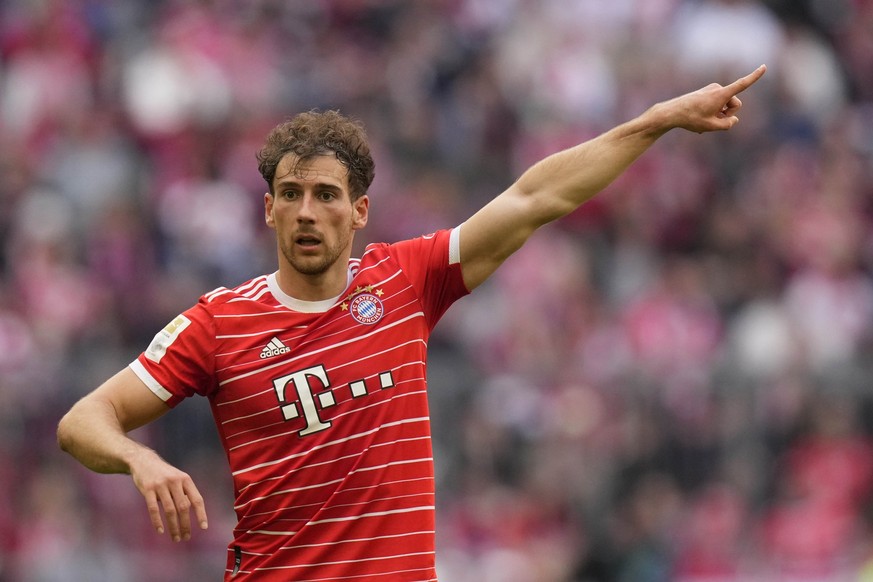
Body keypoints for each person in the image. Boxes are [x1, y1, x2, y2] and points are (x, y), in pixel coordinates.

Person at [57, 64, 767, 580]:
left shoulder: (403, 281)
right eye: (291, 194)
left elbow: (533, 199)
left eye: (326, 195)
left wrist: (657, 121)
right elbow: (83, 422)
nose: (308, 211)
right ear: (268, 208)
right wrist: (138, 458)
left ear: (359, 210)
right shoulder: (219, 322)